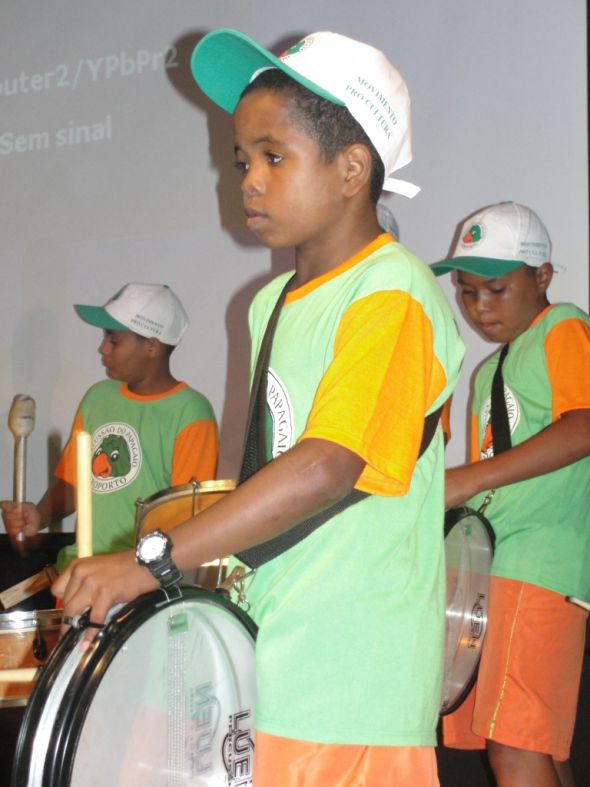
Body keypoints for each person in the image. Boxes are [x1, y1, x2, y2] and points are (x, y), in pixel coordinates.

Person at [54, 29, 464, 786]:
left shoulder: (393, 291)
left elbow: (328, 466)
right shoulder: (269, 301)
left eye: (274, 157)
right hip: (274, 660)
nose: (246, 180)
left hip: (352, 681)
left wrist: (154, 562)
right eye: (242, 159)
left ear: (351, 169)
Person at [431, 201, 590, 787]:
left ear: (541, 276)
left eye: (495, 289)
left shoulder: (563, 325)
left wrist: (467, 480)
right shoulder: (490, 370)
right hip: (500, 566)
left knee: (513, 749)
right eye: (467, 292)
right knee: (534, 746)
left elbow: (584, 425)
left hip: (539, 563)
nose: (479, 308)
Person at [1, 282, 218, 572]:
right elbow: (76, 482)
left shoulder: (191, 412)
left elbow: (187, 518)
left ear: (151, 346)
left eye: (114, 340)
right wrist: (39, 516)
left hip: (142, 583)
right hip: (81, 573)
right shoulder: (97, 397)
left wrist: (131, 573)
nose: (102, 348)